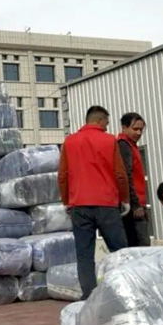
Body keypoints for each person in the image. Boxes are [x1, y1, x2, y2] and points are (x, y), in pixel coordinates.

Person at [58, 105, 130, 299]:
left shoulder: (70, 142)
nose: (107, 127)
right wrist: (125, 199)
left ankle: (89, 297)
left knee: (84, 254)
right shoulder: (109, 140)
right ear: (99, 120)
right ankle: (125, 291)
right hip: (107, 204)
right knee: (119, 252)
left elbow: (63, 175)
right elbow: (120, 174)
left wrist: (66, 201)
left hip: (79, 205)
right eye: (106, 123)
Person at [117, 112, 150, 247]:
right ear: (124, 128)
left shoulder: (131, 145)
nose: (138, 133)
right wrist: (135, 204)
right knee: (141, 245)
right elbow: (126, 175)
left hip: (134, 203)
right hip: (132, 206)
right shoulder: (124, 145)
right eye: (135, 129)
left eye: (141, 130)